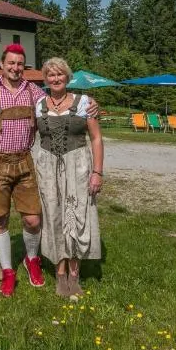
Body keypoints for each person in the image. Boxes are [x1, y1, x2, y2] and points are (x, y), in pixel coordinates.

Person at [0, 44, 98, 297]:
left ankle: (32, 260)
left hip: (25, 161)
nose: (15, 68)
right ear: (2, 64)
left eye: (20, 64)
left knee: (33, 219)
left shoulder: (34, 93)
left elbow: (59, 101)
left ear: (24, 67)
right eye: (11, 63)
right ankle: (8, 270)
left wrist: (91, 104)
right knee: (0, 219)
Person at [34, 57, 103, 299]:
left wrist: (97, 172)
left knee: (76, 217)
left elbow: (95, 138)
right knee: (53, 217)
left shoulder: (84, 102)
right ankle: (60, 275)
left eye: (59, 74)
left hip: (78, 166)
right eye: (50, 75)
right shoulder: (38, 104)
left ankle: (75, 276)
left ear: (67, 77)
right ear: (45, 79)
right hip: (47, 168)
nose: (55, 79)